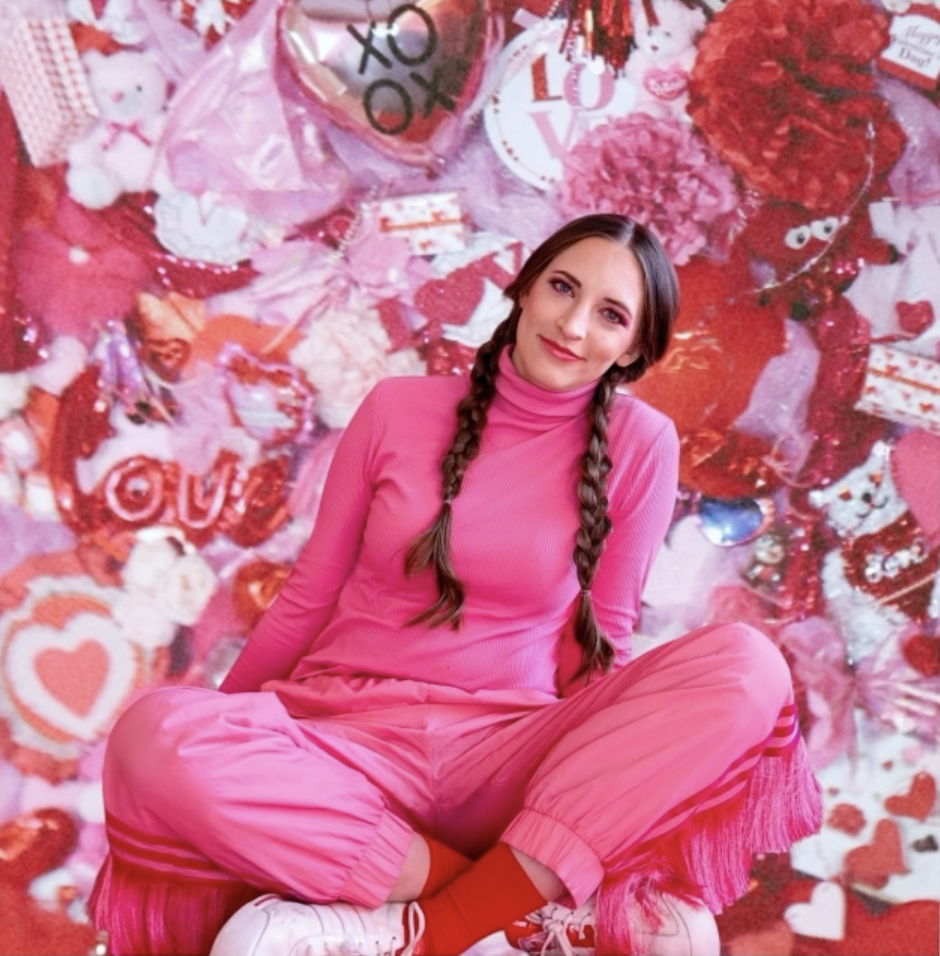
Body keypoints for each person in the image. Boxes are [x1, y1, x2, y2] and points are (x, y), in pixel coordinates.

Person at [89, 214, 821, 956]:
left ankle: (436, 930)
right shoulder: (395, 409)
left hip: (508, 761)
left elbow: (605, 635)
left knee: (750, 665)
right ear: (525, 288)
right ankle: (497, 908)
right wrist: (216, 742)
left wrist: (600, 786)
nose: (573, 325)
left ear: (633, 348)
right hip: (347, 754)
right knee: (154, 733)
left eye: (610, 314)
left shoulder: (643, 443)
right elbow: (306, 598)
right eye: (563, 288)